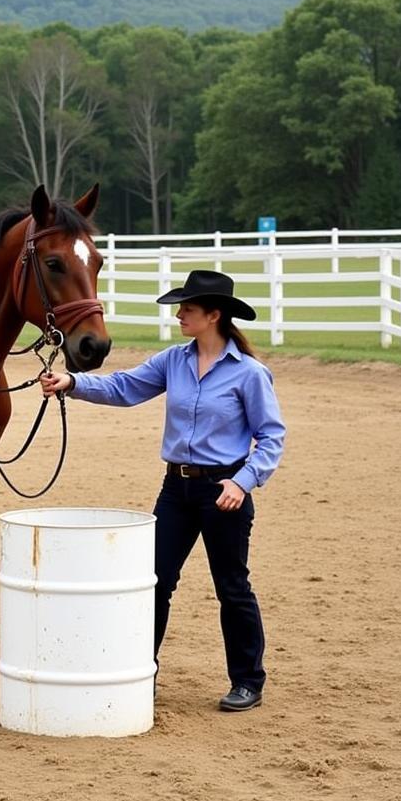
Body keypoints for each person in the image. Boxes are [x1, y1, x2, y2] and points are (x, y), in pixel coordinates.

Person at [41, 270, 285, 712]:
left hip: (224, 489)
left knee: (232, 586)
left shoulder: (250, 374)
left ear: (214, 315)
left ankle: (248, 681)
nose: (178, 316)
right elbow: (124, 387)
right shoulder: (173, 360)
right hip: (177, 489)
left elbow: (271, 437)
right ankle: (141, 672)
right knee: (154, 582)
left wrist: (243, 481)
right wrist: (73, 384)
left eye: (187, 309)